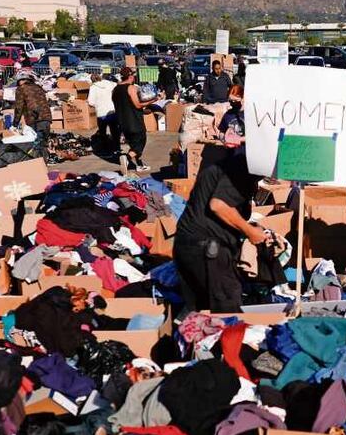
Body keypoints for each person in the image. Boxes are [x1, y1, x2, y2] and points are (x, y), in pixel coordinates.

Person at [173, 159, 266, 312]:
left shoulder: (226, 165)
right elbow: (218, 205)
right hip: (207, 248)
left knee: (200, 311)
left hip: (189, 243)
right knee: (227, 310)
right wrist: (250, 232)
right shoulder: (241, 170)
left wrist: (247, 227)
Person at [112, 67, 160, 173]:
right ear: (130, 76)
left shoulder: (115, 89)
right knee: (140, 143)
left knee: (134, 143)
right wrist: (152, 101)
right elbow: (137, 105)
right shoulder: (131, 88)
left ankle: (139, 164)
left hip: (122, 122)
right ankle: (127, 158)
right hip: (134, 121)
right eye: (133, 75)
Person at [13, 70, 52, 157]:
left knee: (35, 143)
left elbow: (19, 107)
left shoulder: (21, 89)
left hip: (34, 118)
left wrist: (15, 123)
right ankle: (44, 160)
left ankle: (38, 163)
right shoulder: (38, 87)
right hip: (46, 117)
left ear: (21, 81)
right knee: (43, 142)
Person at [87, 72, 120, 154]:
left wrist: (96, 104)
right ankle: (117, 148)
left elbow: (90, 102)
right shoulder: (109, 83)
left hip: (101, 113)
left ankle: (106, 149)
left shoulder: (93, 88)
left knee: (103, 132)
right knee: (114, 130)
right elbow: (117, 85)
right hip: (112, 110)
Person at [218, 84, 246, 151]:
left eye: (235, 101)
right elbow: (222, 131)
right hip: (231, 155)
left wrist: (237, 139)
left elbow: (255, 136)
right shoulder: (228, 114)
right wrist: (223, 140)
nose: (233, 103)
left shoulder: (249, 115)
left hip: (245, 155)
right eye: (230, 101)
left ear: (243, 98)